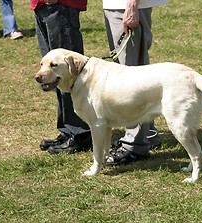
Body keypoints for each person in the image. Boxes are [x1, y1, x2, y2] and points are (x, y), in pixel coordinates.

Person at [103, 0, 167, 166]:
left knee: (131, 78)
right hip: (116, 5)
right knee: (127, 73)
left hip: (127, 5)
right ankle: (147, 134)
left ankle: (135, 143)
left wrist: (132, 5)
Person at [31, 0, 92, 154]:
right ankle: (68, 130)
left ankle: (80, 133)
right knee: (54, 73)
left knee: (69, 73)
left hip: (60, 4)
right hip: (42, 5)